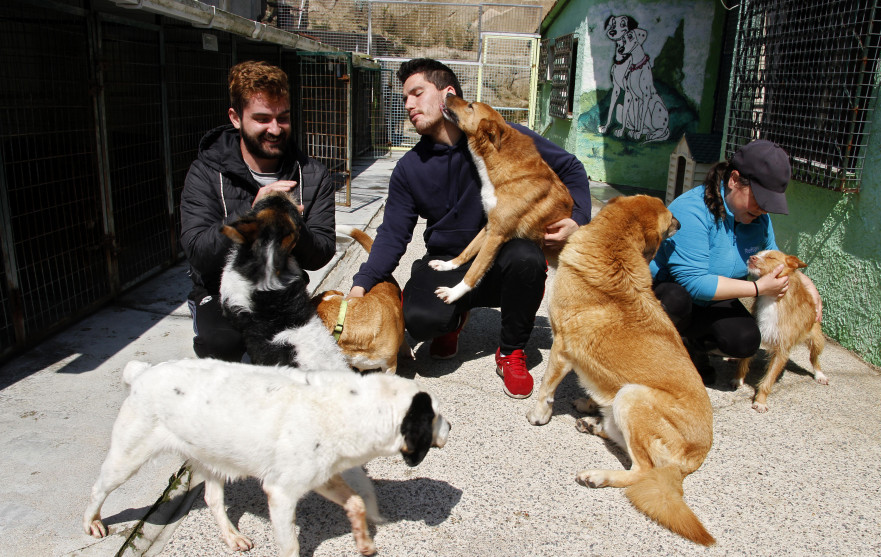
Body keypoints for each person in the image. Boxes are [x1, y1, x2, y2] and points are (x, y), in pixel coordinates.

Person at [346, 58, 591, 399]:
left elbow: (571, 167)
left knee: (527, 260)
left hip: (504, 253)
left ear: (447, 94)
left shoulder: (500, 135)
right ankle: (453, 318)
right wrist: (362, 284)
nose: (409, 105)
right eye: (404, 99)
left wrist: (577, 218)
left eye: (417, 93)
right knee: (419, 318)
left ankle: (511, 350)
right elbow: (392, 235)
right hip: (448, 257)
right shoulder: (409, 168)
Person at [180, 60, 336, 361]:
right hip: (220, 290)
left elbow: (322, 253)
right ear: (236, 118)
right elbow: (198, 252)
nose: (275, 129)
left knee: (309, 356)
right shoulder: (206, 172)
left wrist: (291, 226)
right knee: (221, 345)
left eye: (283, 118)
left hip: (283, 290)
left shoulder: (312, 174)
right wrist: (253, 216)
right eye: (262, 118)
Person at [650, 139, 822, 384]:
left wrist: (806, 283)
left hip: (716, 297)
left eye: (768, 204)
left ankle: (693, 347)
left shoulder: (758, 218)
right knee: (674, 301)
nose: (763, 210)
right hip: (672, 292)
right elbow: (694, 282)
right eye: (760, 199)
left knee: (744, 341)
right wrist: (757, 288)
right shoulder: (692, 210)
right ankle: (653, 353)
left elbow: (774, 257)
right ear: (734, 180)